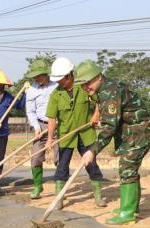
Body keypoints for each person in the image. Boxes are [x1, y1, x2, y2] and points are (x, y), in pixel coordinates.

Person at [75, 60, 150, 225]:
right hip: (131, 132)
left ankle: (127, 213)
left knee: (127, 167)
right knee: (129, 168)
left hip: (140, 132)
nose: (86, 87)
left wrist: (92, 150)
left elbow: (109, 128)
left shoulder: (110, 92)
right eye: (83, 85)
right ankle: (131, 208)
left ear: (98, 77)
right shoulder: (105, 87)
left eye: (88, 83)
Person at [45, 57, 106, 208]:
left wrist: (96, 115)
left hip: (86, 133)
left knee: (91, 164)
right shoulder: (55, 95)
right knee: (62, 166)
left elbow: (99, 101)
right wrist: (49, 139)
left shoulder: (84, 87)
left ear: (69, 75)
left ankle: (98, 196)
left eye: (61, 79)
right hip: (67, 135)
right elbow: (52, 118)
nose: (58, 82)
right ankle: (59, 198)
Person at [24, 59, 59, 199]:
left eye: (40, 75)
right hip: (41, 125)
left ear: (46, 74)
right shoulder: (31, 90)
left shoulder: (57, 87)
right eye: (35, 76)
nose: (37, 78)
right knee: (35, 157)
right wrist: (36, 127)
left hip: (58, 125)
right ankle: (38, 186)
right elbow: (30, 111)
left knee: (60, 158)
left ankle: (60, 187)